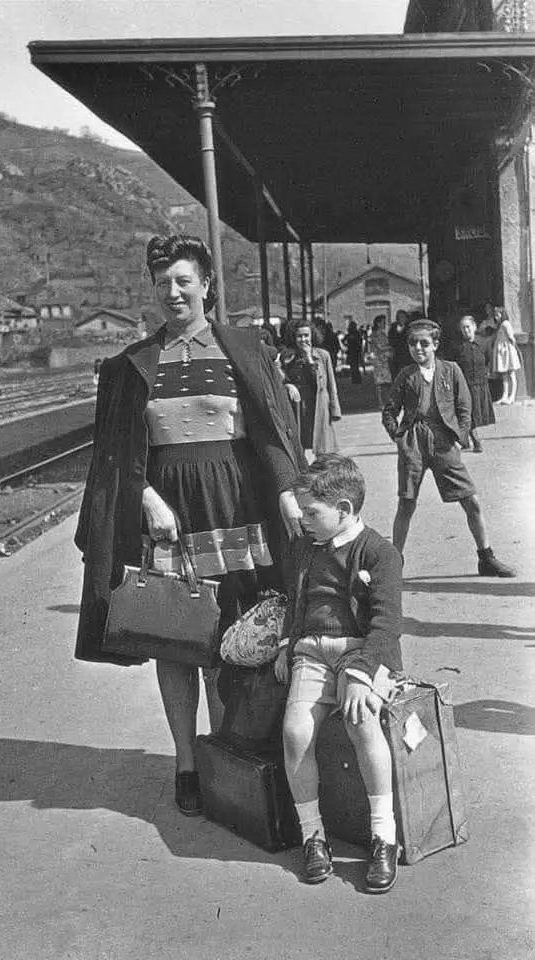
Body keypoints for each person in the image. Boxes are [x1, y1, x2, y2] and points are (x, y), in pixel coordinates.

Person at [74, 234, 307, 817]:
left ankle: (228, 753)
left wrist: (285, 493)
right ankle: (186, 762)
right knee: (176, 641)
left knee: (235, 639)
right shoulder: (131, 365)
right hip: (169, 522)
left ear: (206, 284)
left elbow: (271, 435)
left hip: (237, 510)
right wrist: (146, 496)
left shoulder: (247, 350)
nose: (173, 292)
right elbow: (115, 455)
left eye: (183, 280)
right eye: (162, 283)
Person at [274, 455, 403, 892]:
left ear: (344, 509)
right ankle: (313, 835)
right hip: (312, 651)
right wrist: (285, 644)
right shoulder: (305, 547)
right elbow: (298, 600)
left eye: (312, 512)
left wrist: (365, 672)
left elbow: (386, 625)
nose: (303, 520)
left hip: (361, 653)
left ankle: (384, 835)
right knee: (294, 733)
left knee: (362, 720)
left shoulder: (380, 553)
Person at [382, 318, 516, 577]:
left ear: (435, 345)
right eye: (412, 343)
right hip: (414, 442)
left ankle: (486, 558)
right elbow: (389, 411)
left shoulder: (451, 370)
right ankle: (394, 563)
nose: (418, 348)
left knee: (471, 500)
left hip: (445, 441)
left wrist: (460, 436)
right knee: (406, 503)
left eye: (424, 343)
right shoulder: (405, 375)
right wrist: (399, 436)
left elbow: (465, 408)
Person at [280, 319, 341, 458]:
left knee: (323, 447)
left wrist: (335, 409)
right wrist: (287, 385)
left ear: (312, 336)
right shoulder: (288, 357)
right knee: (298, 444)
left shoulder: (323, 355)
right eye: (299, 336)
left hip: (318, 405)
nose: (303, 339)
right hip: (299, 406)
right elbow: (281, 378)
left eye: (306, 335)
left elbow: (330, 384)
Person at [452, 314, 495, 453]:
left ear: (474, 327)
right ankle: (476, 440)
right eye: (463, 328)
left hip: (481, 385)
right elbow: (454, 367)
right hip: (464, 386)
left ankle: (465, 441)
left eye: (468, 327)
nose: (466, 330)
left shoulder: (484, 343)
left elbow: (488, 360)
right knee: (467, 414)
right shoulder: (458, 347)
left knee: (476, 415)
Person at [490, 307, 521, 405]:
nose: (496, 317)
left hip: (507, 352)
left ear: (502, 314)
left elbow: (511, 338)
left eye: (498, 315)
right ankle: (505, 396)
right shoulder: (499, 326)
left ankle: (512, 396)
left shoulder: (505, 324)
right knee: (504, 375)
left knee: (511, 374)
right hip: (503, 353)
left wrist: (509, 348)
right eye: (495, 315)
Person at [370, 314, 392, 410]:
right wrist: (391, 347)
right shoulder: (374, 334)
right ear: (378, 323)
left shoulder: (383, 334)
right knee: (379, 383)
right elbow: (380, 347)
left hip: (385, 359)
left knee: (387, 382)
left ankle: (387, 400)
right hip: (379, 360)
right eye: (383, 322)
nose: (384, 324)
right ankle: (380, 402)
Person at [387, 309, 412, 381]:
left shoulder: (409, 328)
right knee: (397, 375)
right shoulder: (393, 328)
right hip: (396, 355)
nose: (402, 319)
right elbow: (391, 341)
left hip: (407, 355)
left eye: (403, 317)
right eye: (400, 317)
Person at [345, 320, 363, 384]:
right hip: (356, 351)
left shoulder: (350, 334)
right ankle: (357, 379)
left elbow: (345, 340)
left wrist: (347, 345)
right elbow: (360, 341)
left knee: (353, 366)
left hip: (352, 351)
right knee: (355, 365)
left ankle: (355, 379)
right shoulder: (356, 333)